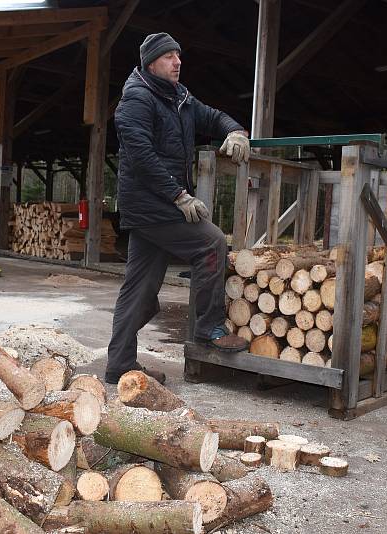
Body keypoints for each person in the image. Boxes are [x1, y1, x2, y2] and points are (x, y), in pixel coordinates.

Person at [105, 32, 250, 385]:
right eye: (169, 56)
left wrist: (234, 131)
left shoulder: (179, 98)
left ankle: (119, 365)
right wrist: (178, 196)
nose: (178, 61)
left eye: (178, 56)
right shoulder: (137, 99)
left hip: (156, 208)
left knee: (139, 289)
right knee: (212, 242)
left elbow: (213, 117)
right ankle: (209, 327)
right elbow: (141, 156)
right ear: (152, 62)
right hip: (152, 206)